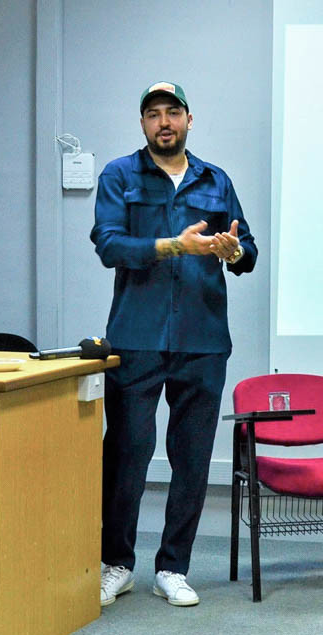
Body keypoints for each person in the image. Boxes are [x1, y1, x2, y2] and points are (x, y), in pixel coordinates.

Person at [91, 81, 257, 607]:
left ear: (189, 119)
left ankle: (174, 567)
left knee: (191, 458)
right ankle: (116, 562)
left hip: (203, 340)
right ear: (142, 124)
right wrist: (173, 246)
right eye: (153, 115)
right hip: (136, 338)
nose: (164, 122)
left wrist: (231, 251)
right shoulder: (120, 175)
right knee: (127, 454)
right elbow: (109, 243)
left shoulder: (216, 179)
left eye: (173, 113)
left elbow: (248, 249)